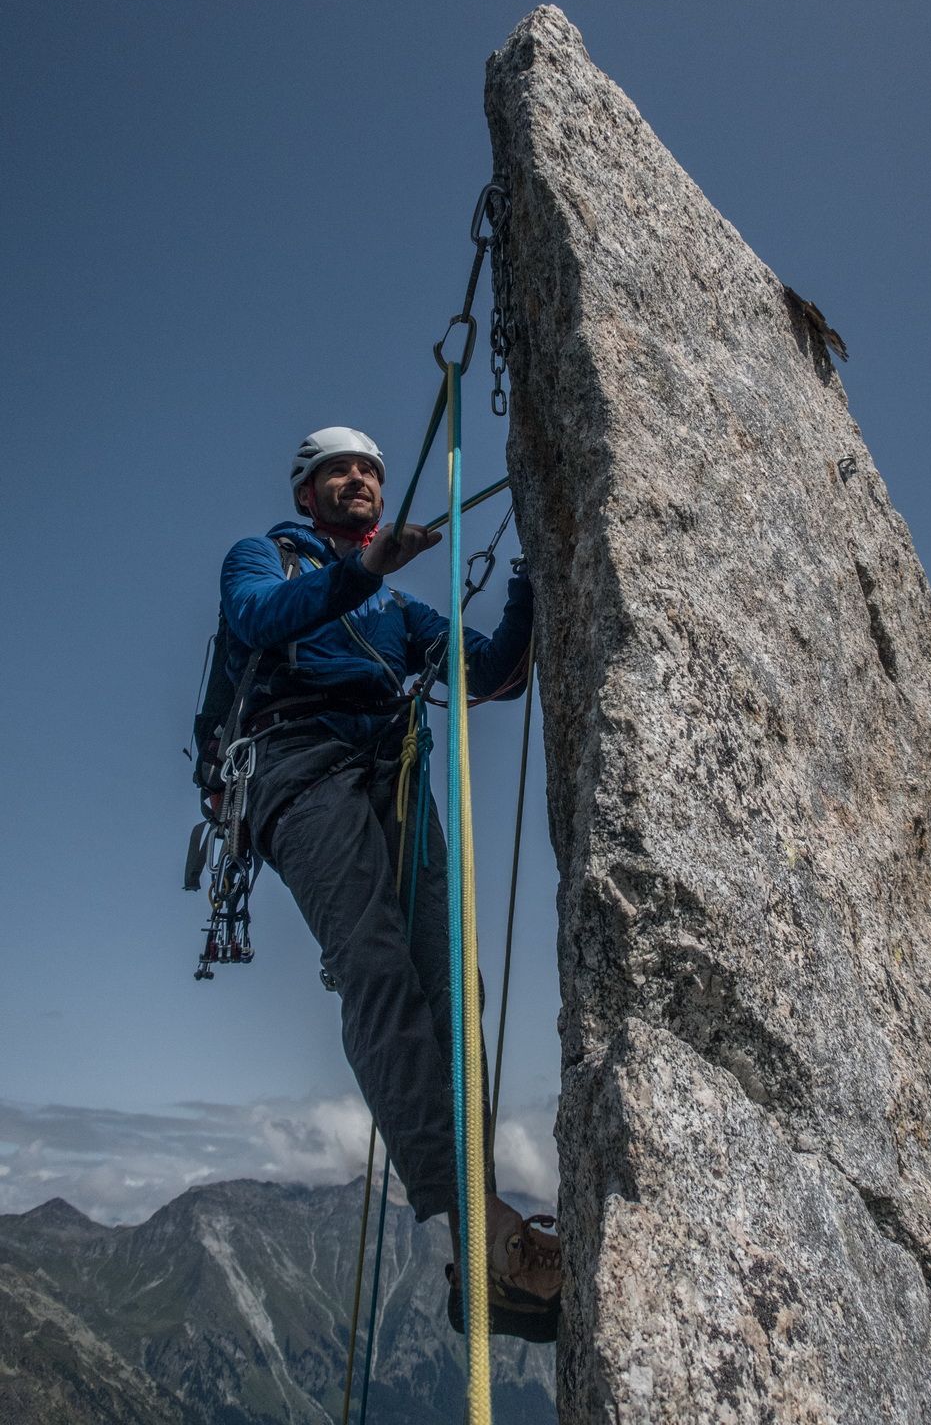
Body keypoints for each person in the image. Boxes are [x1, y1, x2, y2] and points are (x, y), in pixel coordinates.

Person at [220, 426, 561, 1335]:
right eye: (338, 470)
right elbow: (254, 619)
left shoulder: (395, 612)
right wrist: (364, 570)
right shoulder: (265, 558)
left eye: (369, 469)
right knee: (373, 963)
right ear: (306, 495)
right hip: (298, 767)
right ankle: (473, 1221)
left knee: (452, 976)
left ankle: (479, 1238)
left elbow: (490, 673)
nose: (359, 479)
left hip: (389, 768)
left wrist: (531, 577)